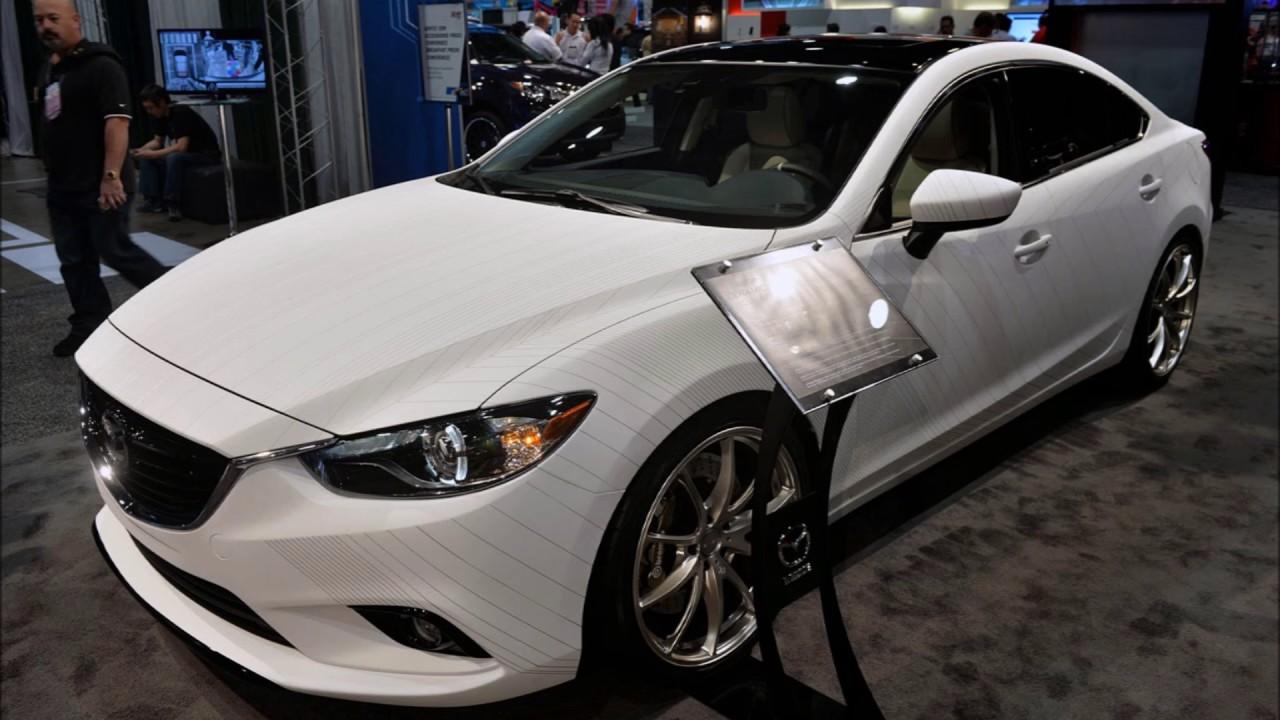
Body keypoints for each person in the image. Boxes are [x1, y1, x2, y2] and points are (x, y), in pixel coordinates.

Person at [33, 0, 167, 357]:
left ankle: (174, 304)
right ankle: (88, 326)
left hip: (101, 182)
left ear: (75, 20)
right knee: (74, 260)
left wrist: (111, 176)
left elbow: (117, 123)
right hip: (63, 184)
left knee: (115, 250)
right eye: (39, 20)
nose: (46, 26)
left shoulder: (102, 65)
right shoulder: (52, 68)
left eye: (53, 18)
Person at [131, 85, 220, 222]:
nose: (149, 112)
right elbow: (157, 141)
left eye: (151, 108)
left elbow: (181, 147)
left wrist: (152, 154)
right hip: (188, 154)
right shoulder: (160, 116)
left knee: (174, 158)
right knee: (148, 158)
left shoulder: (180, 113)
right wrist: (140, 151)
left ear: (161, 102)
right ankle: (154, 201)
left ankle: (172, 203)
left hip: (206, 155)